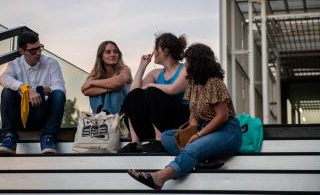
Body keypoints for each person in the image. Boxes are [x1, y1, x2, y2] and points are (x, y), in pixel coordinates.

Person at [127, 43, 242, 190]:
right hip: (203, 128)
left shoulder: (214, 82)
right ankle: (202, 158)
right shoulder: (193, 84)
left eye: (187, 62)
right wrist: (192, 129)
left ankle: (160, 177)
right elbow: (193, 113)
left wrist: (199, 134)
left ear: (197, 63)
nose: (184, 64)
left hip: (226, 131)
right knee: (168, 137)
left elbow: (222, 116)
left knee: (192, 147)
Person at [119, 32, 189, 153]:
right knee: (134, 96)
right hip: (159, 121)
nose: (154, 52)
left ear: (165, 51)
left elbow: (173, 89)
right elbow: (134, 92)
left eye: (156, 48)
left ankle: (159, 141)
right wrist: (142, 66)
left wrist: (152, 85)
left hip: (180, 121)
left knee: (152, 91)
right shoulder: (156, 73)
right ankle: (135, 143)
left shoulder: (185, 69)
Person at [0, 32, 66, 155]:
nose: (38, 53)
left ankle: (48, 137)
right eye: (33, 50)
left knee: (59, 94)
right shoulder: (15, 64)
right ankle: (9, 136)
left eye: (39, 48)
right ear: (22, 51)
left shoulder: (51, 63)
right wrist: (26, 88)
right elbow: (2, 79)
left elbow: (59, 86)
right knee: (7, 91)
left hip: (42, 114)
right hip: (20, 117)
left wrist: (49, 89)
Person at [81, 41, 132, 115]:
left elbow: (118, 82)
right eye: (108, 52)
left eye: (115, 52)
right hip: (101, 114)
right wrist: (108, 88)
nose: (113, 54)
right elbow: (85, 90)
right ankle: (101, 116)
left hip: (123, 111)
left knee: (115, 89)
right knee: (110, 88)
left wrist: (92, 82)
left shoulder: (124, 69)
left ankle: (108, 116)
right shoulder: (96, 72)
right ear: (101, 56)